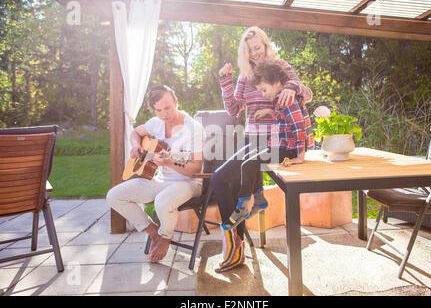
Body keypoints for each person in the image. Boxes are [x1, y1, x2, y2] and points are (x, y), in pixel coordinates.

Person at [212, 26, 313, 273]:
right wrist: (225, 81)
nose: (255, 54)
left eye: (258, 47)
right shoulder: (244, 76)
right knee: (220, 178)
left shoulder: (282, 67)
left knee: (237, 184)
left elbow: (305, 93)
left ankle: (236, 246)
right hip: (251, 140)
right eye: (249, 51)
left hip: (277, 142)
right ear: (243, 54)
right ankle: (234, 242)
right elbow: (233, 111)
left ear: (266, 45)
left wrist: (293, 88)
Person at [106, 85, 205, 263]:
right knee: (114, 196)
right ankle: (153, 232)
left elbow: (196, 168)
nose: (164, 114)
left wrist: (168, 162)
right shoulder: (155, 123)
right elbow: (136, 132)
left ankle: (165, 237)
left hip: (189, 183)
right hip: (160, 181)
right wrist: (136, 146)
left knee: (162, 201)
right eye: (158, 110)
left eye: (168, 108)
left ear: (176, 102)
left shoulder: (193, 128)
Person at [225, 60, 315, 230]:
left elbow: (299, 127)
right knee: (249, 161)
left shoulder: (289, 99)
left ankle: (243, 205)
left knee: (249, 165)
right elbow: (286, 119)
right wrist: (269, 112)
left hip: (287, 149)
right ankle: (259, 200)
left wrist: (300, 156)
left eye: (264, 90)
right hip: (281, 146)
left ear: (275, 82)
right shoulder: (280, 99)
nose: (263, 94)